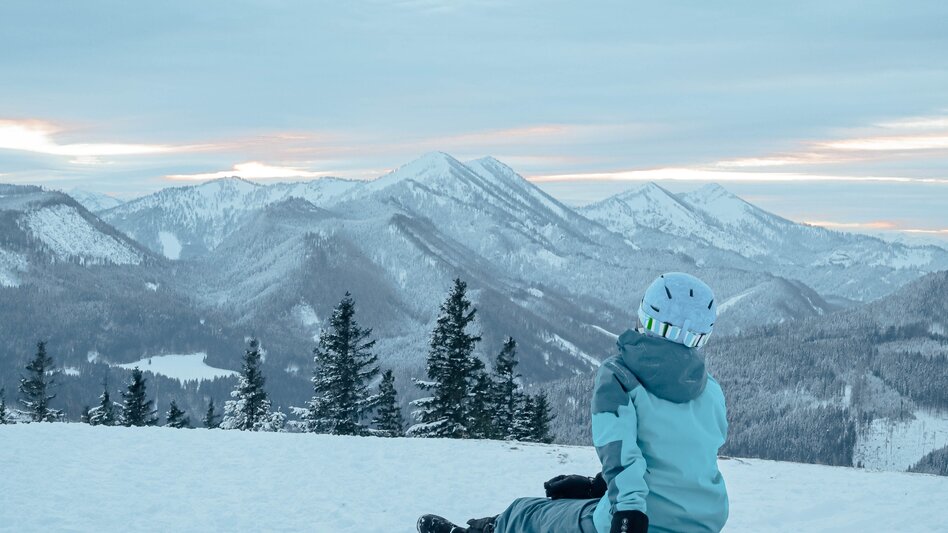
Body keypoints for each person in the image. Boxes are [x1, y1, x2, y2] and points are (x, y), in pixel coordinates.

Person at [417, 272, 728, 533]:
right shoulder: (709, 389)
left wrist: (628, 515)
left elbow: (620, 451)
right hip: (703, 521)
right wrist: (597, 487)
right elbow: (681, 459)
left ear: (644, 317)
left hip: (639, 519)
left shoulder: (619, 375)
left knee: (525, 514)